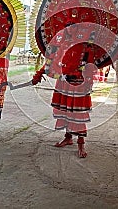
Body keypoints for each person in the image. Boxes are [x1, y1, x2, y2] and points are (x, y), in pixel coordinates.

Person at [32, 22, 96, 158]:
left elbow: (89, 65)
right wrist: (39, 74)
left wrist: (88, 81)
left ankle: (81, 143)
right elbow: (51, 60)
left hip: (78, 84)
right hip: (62, 83)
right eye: (67, 27)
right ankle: (68, 138)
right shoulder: (61, 43)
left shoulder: (85, 44)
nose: (70, 30)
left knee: (77, 114)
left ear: (78, 28)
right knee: (66, 111)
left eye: (73, 27)